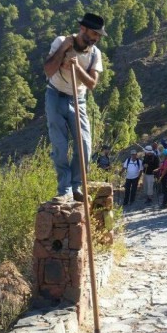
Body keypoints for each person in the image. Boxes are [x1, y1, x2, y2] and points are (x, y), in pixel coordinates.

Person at [43, 13, 106, 203]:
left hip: (78, 99)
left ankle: (77, 185)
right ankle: (65, 189)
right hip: (55, 96)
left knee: (85, 145)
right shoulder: (61, 41)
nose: (96, 38)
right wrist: (63, 49)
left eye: (98, 35)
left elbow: (92, 83)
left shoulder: (95, 54)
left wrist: (76, 65)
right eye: (94, 33)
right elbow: (48, 70)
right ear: (83, 29)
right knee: (60, 146)